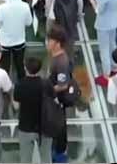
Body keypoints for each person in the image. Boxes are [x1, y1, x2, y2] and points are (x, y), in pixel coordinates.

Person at [0, 0, 35, 81]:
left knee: (5, 67)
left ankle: (5, 87)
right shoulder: (25, 6)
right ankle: (22, 85)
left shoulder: (2, 7)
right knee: (20, 66)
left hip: (4, 43)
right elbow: (29, 23)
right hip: (20, 41)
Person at [13, 56, 51, 164]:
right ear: (39, 69)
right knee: (46, 158)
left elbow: (16, 106)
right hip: (44, 128)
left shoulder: (20, 84)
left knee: (25, 159)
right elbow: (54, 100)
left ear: (25, 68)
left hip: (25, 127)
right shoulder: (46, 84)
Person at [45, 24, 73, 162]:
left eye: (50, 40)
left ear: (57, 43)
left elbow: (63, 85)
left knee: (59, 125)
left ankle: (60, 152)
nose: (47, 43)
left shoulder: (61, 61)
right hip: (53, 99)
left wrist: (47, 89)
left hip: (58, 100)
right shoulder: (54, 56)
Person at [90, 0, 117, 86]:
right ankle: (114, 67)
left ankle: (106, 76)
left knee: (104, 50)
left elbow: (98, 10)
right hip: (114, 21)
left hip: (103, 25)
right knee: (112, 45)